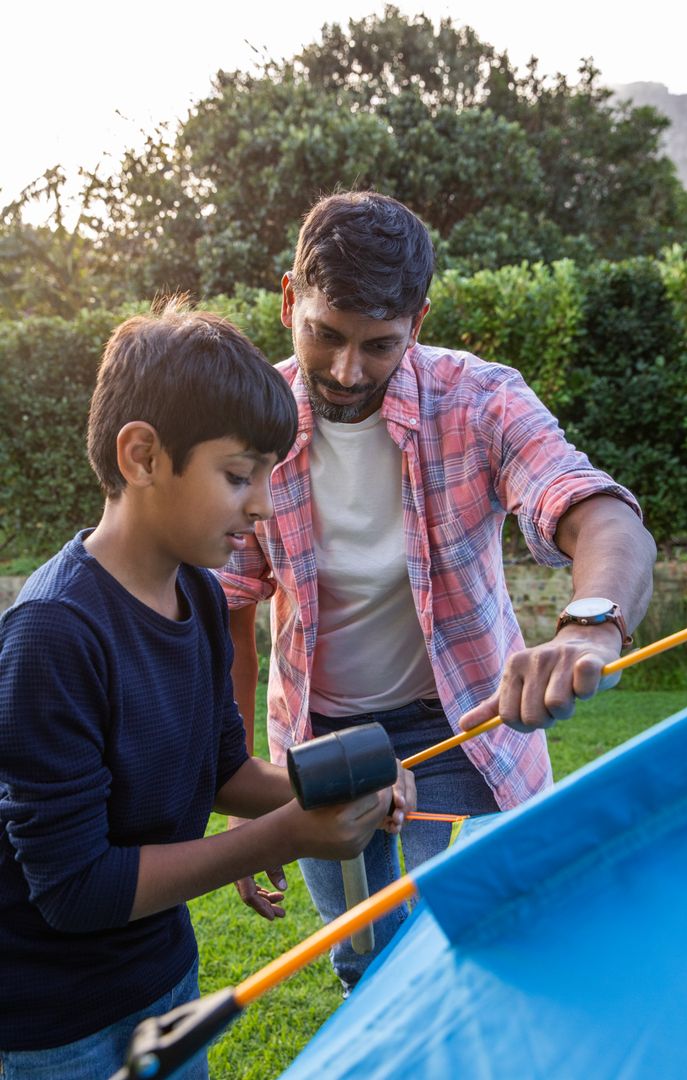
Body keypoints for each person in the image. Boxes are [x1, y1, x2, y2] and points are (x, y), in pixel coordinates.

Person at [217, 191, 657, 995]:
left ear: (418, 319)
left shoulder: (481, 399)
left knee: (480, 956)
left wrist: (590, 624)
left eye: (379, 345)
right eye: (325, 335)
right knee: (365, 961)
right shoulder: (252, 423)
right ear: (289, 299)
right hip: (322, 744)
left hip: (463, 729)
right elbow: (232, 612)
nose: (348, 372)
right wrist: (248, 788)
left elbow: (598, 512)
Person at [0, 300, 415, 1080]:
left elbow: (224, 772)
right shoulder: (54, 635)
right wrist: (287, 836)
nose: (260, 504)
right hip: (55, 1025)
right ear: (142, 456)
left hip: (163, 978)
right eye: (237, 476)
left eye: (266, 476)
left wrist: (346, 781)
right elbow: (76, 889)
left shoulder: (198, 593)